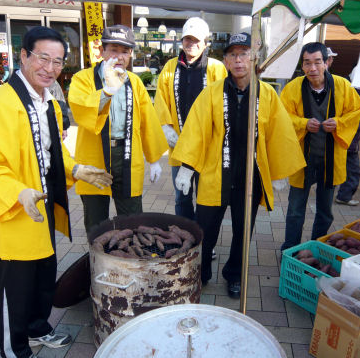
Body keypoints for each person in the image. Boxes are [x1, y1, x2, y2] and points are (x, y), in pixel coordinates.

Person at [0, 26, 113, 358]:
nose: (50, 69)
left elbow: (52, 151)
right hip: (15, 211)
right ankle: (14, 349)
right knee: (15, 289)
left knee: (42, 277)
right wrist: (18, 192)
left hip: (42, 207)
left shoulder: (48, 101)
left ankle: (37, 328)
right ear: (24, 56)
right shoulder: (0, 104)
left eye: (58, 62)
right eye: (43, 59)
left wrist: (76, 169)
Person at [172, 32, 305, 298]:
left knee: (243, 231)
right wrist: (187, 167)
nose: (238, 60)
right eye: (232, 54)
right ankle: (200, 273)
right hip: (214, 174)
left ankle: (235, 274)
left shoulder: (267, 94)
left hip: (250, 177)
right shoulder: (211, 93)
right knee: (204, 228)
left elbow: (279, 133)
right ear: (225, 60)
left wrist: (278, 173)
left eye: (243, 53)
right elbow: (197, 131)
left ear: (253, 57)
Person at [69, 25, 168, 239]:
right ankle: (100, 263)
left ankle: (130, 261)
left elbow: (147, 120)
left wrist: (154, 159)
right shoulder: (83, 79)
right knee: (96, 221)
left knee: (132, 220)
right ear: (102, 51)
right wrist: (107, 91)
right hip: (95, 157)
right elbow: (81, 110)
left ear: (131, 54)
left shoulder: (134, 82)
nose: (119, 56)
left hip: (127, 155)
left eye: (125, 51)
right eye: (114, 50)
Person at [279, 42, 360, 251]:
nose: (312, 68)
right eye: (307, 63)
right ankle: (291, 248)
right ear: (302, 64)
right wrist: (302, 123)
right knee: (295, 209)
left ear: (327, 62)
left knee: (325, 210)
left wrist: (339, 123)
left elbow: (357, 111)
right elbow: (280, 116)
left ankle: (317, 247)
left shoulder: (343, 86)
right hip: (302, 159)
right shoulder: (292, 88)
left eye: (317, 62)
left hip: (330, 158)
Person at [155, 17, 227, 221]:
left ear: (206, 43)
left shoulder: (216, 68)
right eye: (187, 39)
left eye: (196, 40)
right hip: (179, 145)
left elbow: (222, 105)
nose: (191, 44)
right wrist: (165, 126)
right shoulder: (170, 68)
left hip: (207, 146)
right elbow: (160, 100)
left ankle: (205, 242)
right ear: (181, 41)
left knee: (206, 197)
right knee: (181, 196)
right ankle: (185, 239)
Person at [335, 67, 360, 206]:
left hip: (346, 138)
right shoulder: (355, 93)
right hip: (349, 139)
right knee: (353, 170)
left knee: (339, 165)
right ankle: (344, 196)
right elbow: (353, 118)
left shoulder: (352, 91)